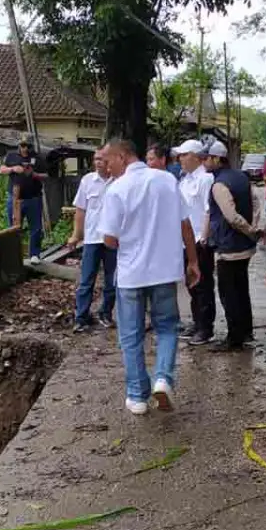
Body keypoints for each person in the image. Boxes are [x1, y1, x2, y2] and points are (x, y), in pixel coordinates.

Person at [98, 139, 201, 415]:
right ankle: (163, 379)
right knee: (167, 327)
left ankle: (137, 396)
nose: (106, 167)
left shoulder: (117, 189)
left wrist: (124, 241)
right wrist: (192, 261)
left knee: (130, 335)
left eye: (108, 161)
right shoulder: (167, 181)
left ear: (122, 157)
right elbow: (185, 225)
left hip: (132, 274)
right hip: (165, 271)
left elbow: (109, 238)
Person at [204, 141, 263, 351]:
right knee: (241, 289)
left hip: (229, 247)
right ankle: (246, 332)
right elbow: (256, 203)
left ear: (217, 159)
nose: (205, 162)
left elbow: (230, 217)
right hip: (245, 247)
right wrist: (254, 228)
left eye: (207, 158)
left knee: (229, 293)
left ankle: (234, 338)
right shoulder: (241, 177)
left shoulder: (219, 185)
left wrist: (248, 229)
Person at [173, 139, 216, 346]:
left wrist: (204, 239)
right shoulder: (185, 180)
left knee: (203, 285)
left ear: (196, 157)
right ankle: (197, 321)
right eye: (179, 155)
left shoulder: (205, 180)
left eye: (184, 154)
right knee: (191, 284)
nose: (180, 159)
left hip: (199, 240)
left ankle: (206, 328)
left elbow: (209, 211)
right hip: (185, 241)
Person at [67, 148, 116, 333]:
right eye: (95, 159)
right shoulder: (88, 181)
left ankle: (105, 313)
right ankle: (81, 317)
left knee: (112, 280)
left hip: (112, 239)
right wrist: (76, 235)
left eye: (102, 159)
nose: (98, 162)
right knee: (87, 279)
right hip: (92, 238)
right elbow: (80, 211)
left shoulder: (119, 181)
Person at [0, 140, 48, 264]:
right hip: (15, 198)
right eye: (22, 146)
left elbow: (46, 176)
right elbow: (2, 170)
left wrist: (34, 174)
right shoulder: (11, 155)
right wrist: (13, 169)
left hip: (33, 197)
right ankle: (13, 255)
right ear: (19, 146)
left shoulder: (37, 158)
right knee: (13, 227)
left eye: (28, 146)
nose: (25, 149)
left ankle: (34, 255)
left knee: (36, 227)